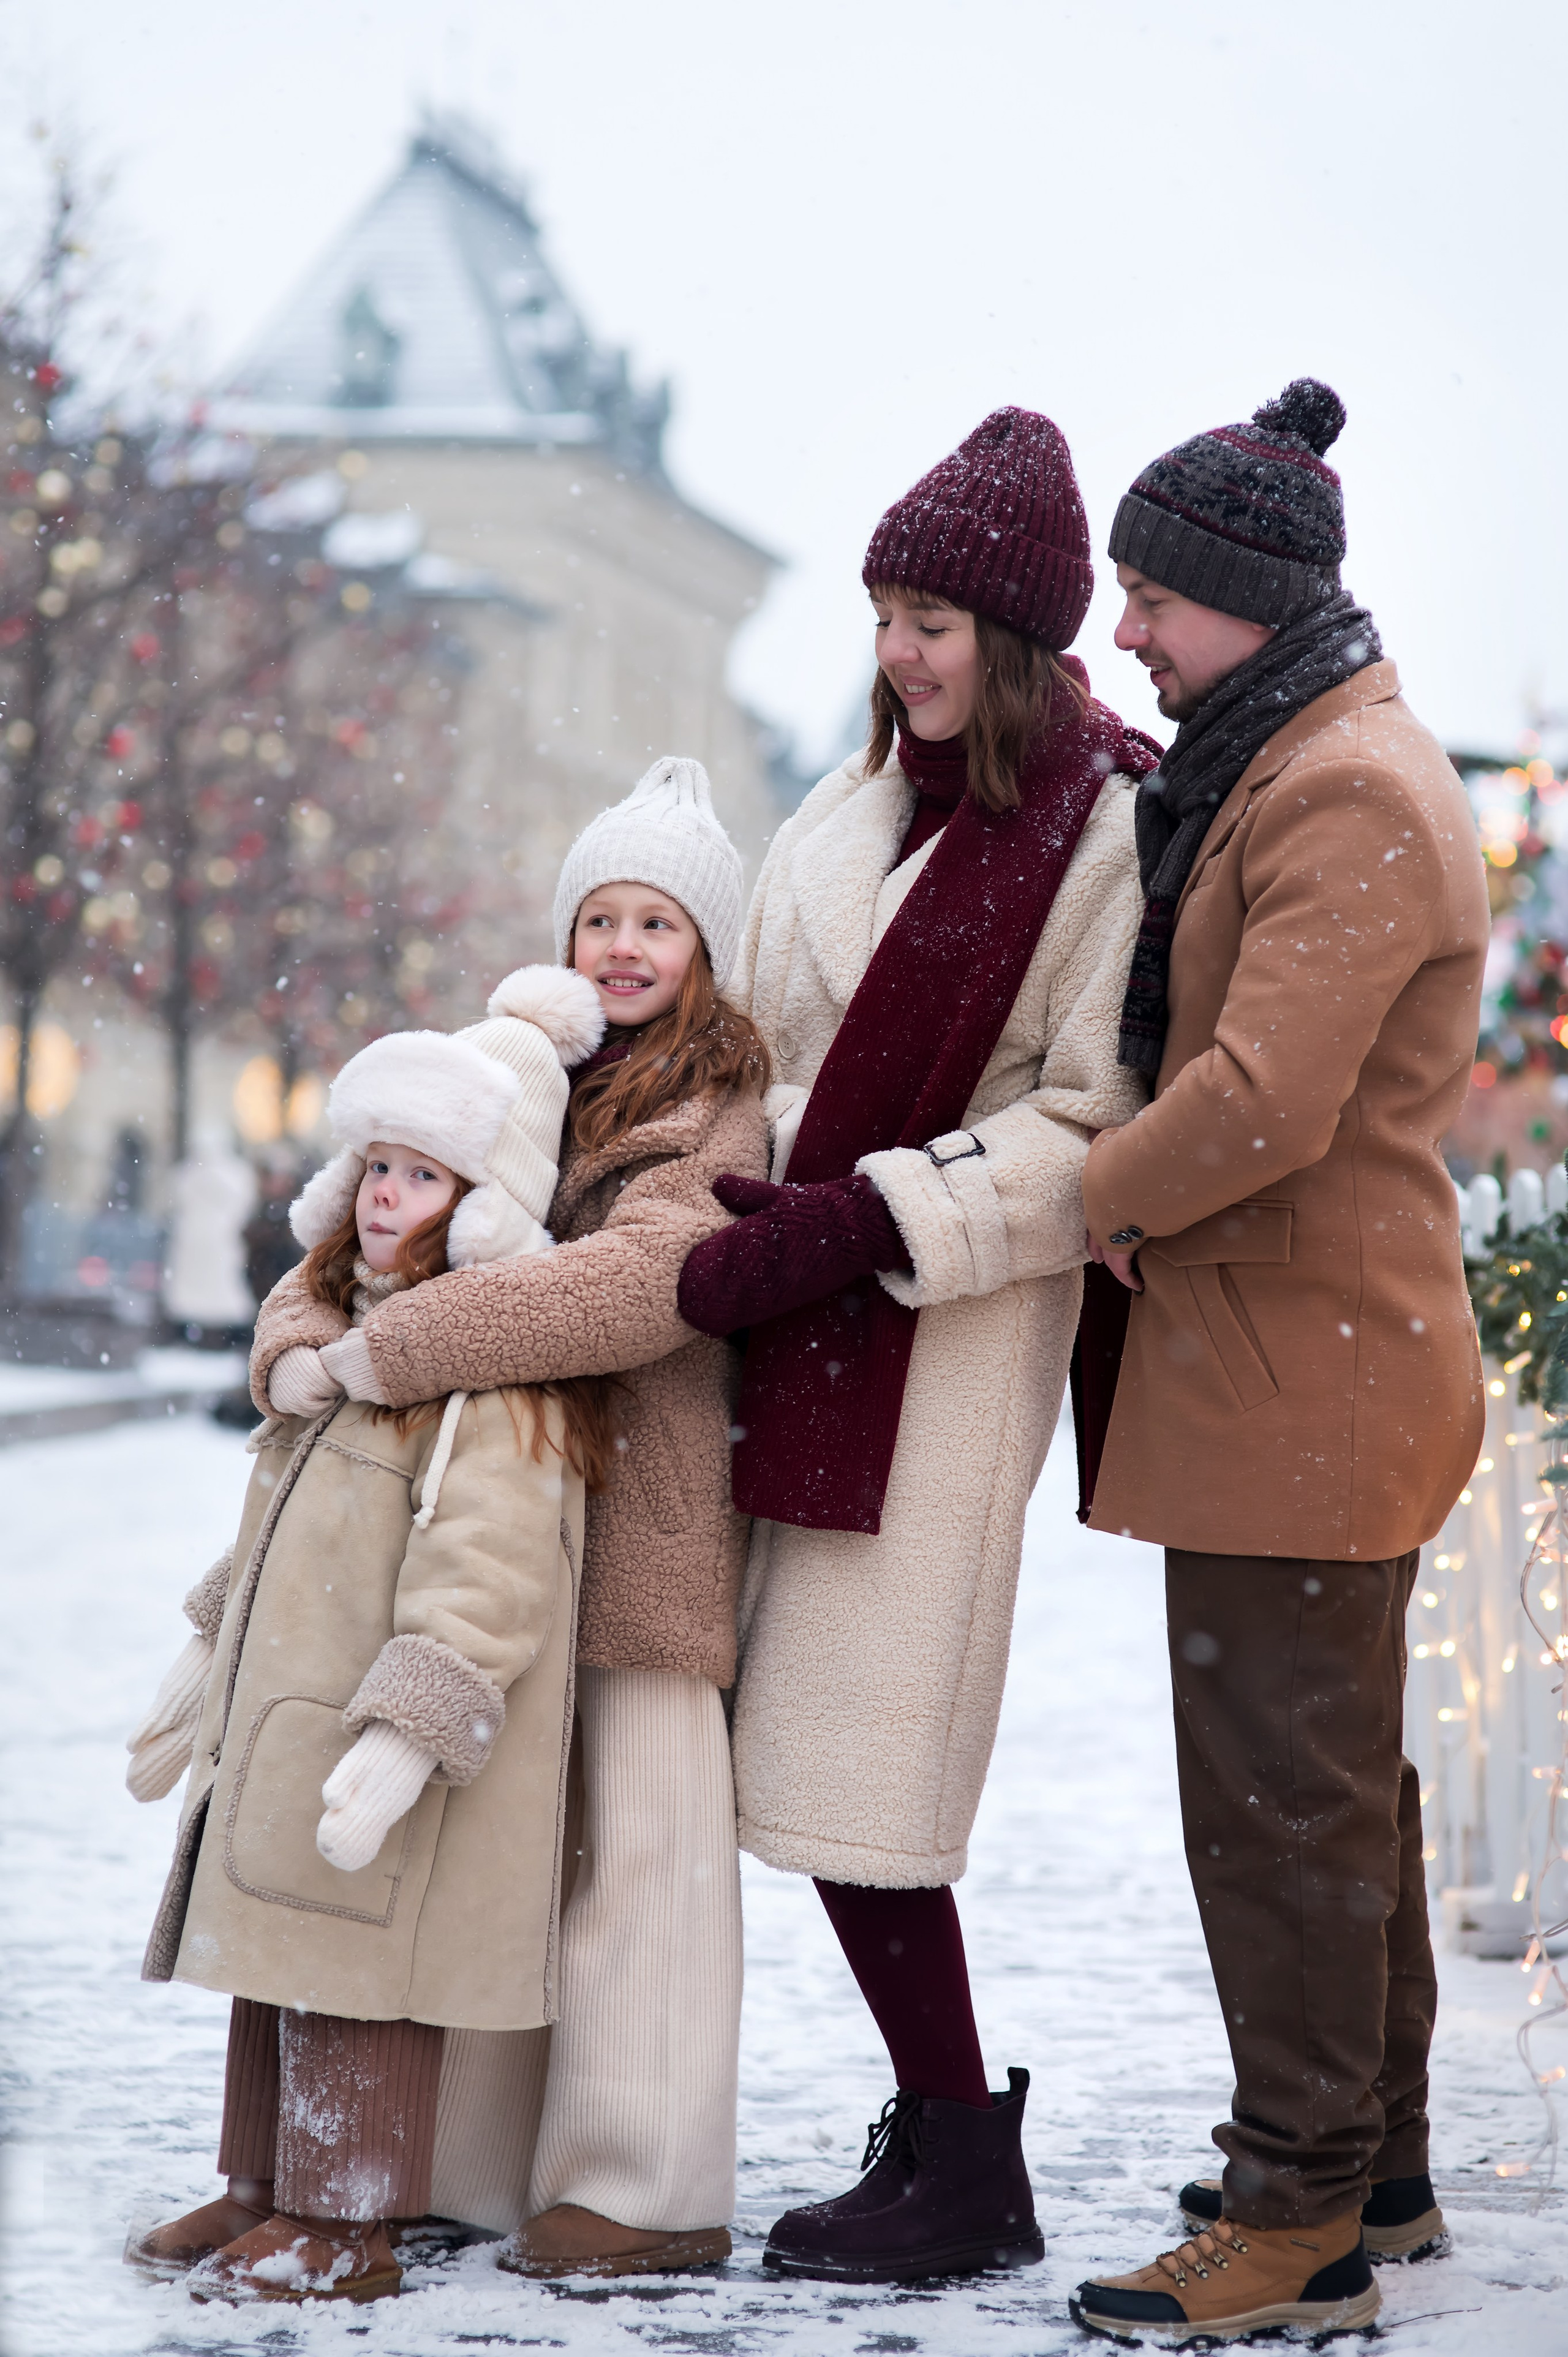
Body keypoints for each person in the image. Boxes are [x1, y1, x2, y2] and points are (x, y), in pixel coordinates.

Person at [676, 409, 1158, 2282]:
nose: (899, 653)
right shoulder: (848, 806)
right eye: (883, 615)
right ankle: (943, 2139)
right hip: (777, 1314)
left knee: (869, 1769)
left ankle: (963, 2160)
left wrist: (869, 1215)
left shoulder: (1102, 829)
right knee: (780, 1753)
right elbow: (752, 1047)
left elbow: (1093, 1120)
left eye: (934, 622)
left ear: (1018, 638)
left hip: (937, 1336)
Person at [1069, 380, 1488, 2344]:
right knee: (1334, 1793)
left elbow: (1258, 1099)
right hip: (1300, 1365)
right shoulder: (1298, 757)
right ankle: (1373, 2167)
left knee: (1279, 1815)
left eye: (1152, 596)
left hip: (1304, 1379)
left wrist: (1090, 1197)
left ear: (1249, 596)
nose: (1126, 632)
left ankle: (1295, 2220)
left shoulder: (1343, 788)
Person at [246, 756, 771, 2277]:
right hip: (494, 1511)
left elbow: (642, 1286)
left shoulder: (720, 1106)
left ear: (705, 947)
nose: (621, 946)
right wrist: (297, 1337)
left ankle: (645, 2185)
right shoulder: (513, 1068)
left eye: (656, 921)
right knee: (501, 1855)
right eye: (598, 916)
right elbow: (369, 1208)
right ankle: (472, 2166)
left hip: (646, 1513)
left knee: (643, 1859)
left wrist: (395, 1346)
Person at [123, 965, 608, 2304]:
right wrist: (206, 1644)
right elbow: (281, 1528)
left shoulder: (489, 1384)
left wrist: (408, 1733)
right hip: (289, 1719)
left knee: (355, 1974)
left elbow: (490, 1570)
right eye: (379, 1166)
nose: (389, 1193)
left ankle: (347, 2219)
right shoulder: (349, 1353)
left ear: (482, 1205)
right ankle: (261, 2183)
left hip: (374, 1733)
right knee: (271, 1962)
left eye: (425, 1175)